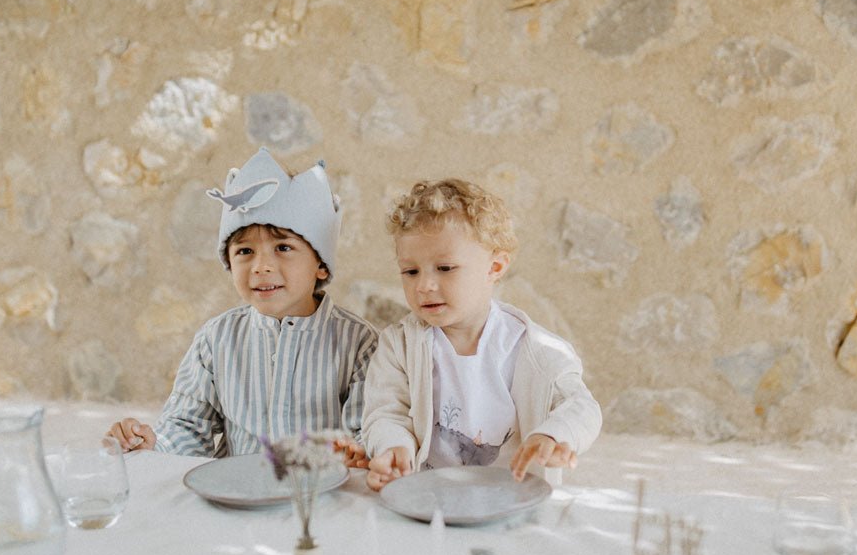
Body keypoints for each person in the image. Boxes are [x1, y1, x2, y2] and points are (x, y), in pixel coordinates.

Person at [107, 147, 375, 466]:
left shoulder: (358, 343)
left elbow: (366, 431)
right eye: (245, 251)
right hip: (235, 492)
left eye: (283, 247)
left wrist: (357, 452)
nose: (261, 266)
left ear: (320, 264)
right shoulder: (216, 339)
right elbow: (188, 428)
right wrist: (152, 442)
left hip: (322, 491)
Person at [362, 178, 602, 490]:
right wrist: (393, 447)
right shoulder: (399, 345)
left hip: (512, 496)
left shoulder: (533, 349)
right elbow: (386, 412)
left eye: (445, 268)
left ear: (495, 267)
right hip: (429, 495)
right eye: (411, 271)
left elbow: (581, 406)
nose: (424, 286)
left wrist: (554, 435)